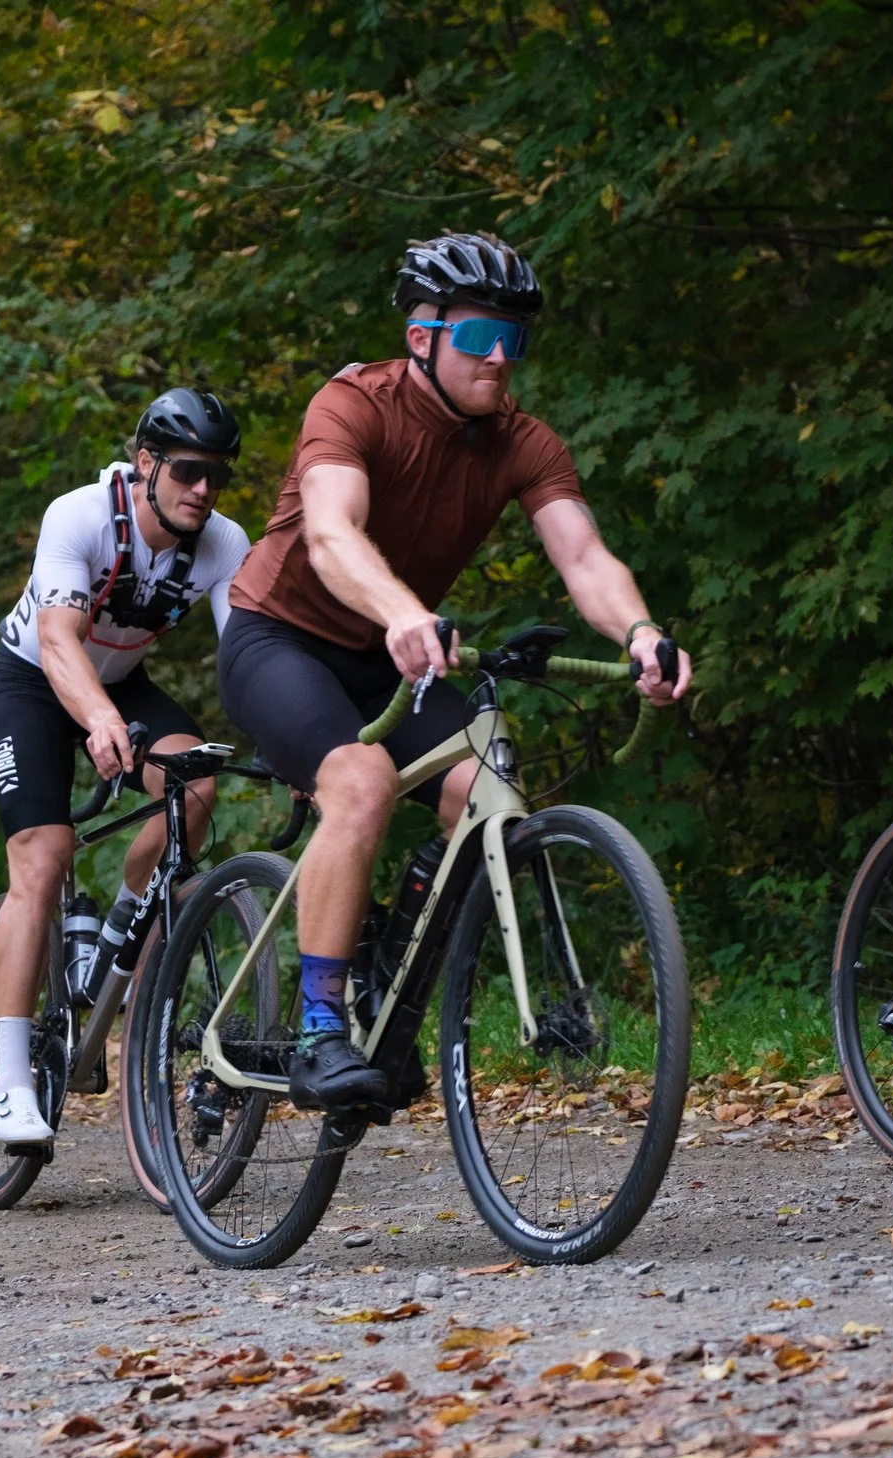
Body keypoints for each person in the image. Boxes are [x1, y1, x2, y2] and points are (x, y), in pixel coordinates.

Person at [217, 232, 690, 1112]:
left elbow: (584, 556)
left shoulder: (523, 442)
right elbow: (330, 534)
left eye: (515, 338)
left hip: (399, 655)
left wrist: (640, 631)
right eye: (478, 336)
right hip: (281, 640)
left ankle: (387, 982)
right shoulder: (353, 405)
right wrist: (400, 610)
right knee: (360, 781)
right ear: (422, 336)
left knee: (489, 784)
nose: (500, 357)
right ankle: (319, 1029)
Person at [0, 389, 252, 1146]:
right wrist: (98, 719)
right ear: (146, 463)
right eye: (189, 470)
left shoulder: (225, 542)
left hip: (124, 683)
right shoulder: (81, 516)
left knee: (195, 785)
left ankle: (119, 940)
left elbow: (249, 657)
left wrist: (297, 741)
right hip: (34, 680)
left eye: (219, 475)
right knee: (44, 857)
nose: (204, 488)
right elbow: (59, 641)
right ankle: (10, 1081)